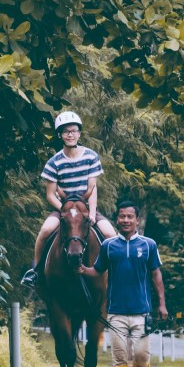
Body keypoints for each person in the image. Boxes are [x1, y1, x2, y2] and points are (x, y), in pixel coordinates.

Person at [77, 200, 168, 367]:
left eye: (130, 217)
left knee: (142, 356)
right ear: (117, 219)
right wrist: (82, 270)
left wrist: (162, 304)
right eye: (122, 216)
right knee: (119, 357)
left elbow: (156, 275)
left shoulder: (148, 245)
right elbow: (98, 270)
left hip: (142, 313)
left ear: (137, 220)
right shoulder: (109, 246)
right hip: (116, 313)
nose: (125, 220)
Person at [20, 111, 117, 287]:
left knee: (111, 234)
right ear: (60, 135)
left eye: (73, 131)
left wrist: (92, 214)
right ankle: (36, 272)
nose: (70, 134)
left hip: (86, 208)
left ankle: (117, 273)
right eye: (66, 132)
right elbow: (50, 194)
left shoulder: (91, 156)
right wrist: (64, 210)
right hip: (63, 209)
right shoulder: (54, 162)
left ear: (79, 133)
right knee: (45, 231)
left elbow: (92, 189)